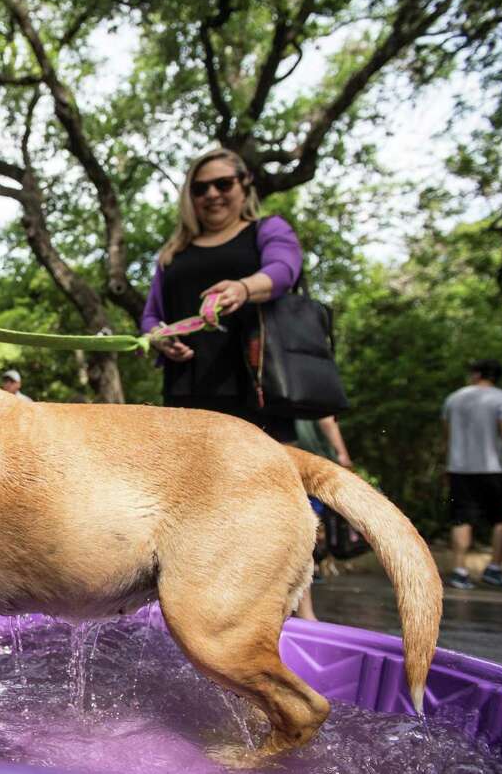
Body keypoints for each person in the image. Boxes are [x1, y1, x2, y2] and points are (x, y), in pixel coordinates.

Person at [140, 147, 303, 443]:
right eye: (200, 189)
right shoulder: (172, 254)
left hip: (257, 384)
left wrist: (244, 288)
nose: (212, 194)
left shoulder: (266, 229)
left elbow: (284, 270)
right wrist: (160, 337)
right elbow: (151, 316)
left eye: (223, 184)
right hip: (186, 392)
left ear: (245, 184)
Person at [442, 359, 502, 590]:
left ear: (478, 374)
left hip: (459, 468)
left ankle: (460, 571)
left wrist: (447, 464)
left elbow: (448, 436)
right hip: (493, 468)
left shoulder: (454, 398)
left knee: (461, 518)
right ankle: (494, 568)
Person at [292, 416, 354, 620]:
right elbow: (327, 420)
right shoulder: (312, 386)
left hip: (286, 453)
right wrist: (342, 454)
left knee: (300, 524)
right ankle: (306, 613)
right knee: (308, 525)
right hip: (312, 461)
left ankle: (304, 604)